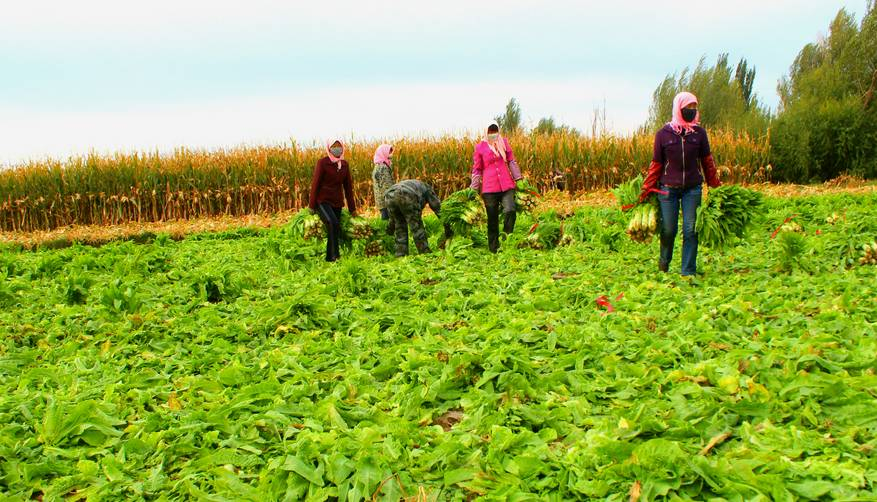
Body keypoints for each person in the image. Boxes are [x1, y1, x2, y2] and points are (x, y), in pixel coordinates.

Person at [640, 91, 721, 276]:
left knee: (691, 230)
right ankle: (664, 261)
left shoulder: (699, 134)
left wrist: (716, 187)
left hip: (692, 189)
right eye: (687, 107)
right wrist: (646, 188)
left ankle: (688, 271)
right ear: (679, 108)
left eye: (694, 107)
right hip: (668, 189)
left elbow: (707, 162)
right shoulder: (663, 134)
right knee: (669, 230)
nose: (691, 111)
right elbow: (657, 164)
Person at [470, 122, 523, 253]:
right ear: (486, 132)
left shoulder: (503, 142)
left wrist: (518, 178)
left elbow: (511, 160)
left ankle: (506, 234)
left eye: (495, 131)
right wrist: (473, 188)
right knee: (492, 218)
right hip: (489, 188)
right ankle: (493, 247)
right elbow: (477, 169)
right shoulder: (480, 147)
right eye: (490, 131)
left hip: (506, 184)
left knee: (510, 209)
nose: (493, 134)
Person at [309, 139, 356, 262]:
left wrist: (352, 209)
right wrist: (312, 205)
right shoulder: (323, 163)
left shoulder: (344, 165)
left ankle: (330, 257)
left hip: (337, 202)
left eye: (339, 146)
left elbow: (348, 188)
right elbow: (315, 184)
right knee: (332, 222)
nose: (337, 149)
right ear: (329, 148)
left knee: (335, 227)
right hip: (323, 200)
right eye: (334, 146)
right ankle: (336, 256)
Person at [384, 179, 451, 257]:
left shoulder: (415, 184)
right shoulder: (427, 188)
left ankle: (401, 254)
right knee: (416, 227)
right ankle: (424, 253)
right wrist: (448, 227)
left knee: (399, 225)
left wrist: (389, 230)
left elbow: (392, 219)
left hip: (389, 195)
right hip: (405, 194)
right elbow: (438, 208)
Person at [371, 144, 395, 220]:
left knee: (385, 220)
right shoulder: (382, 167)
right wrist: (393, 198)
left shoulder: (379, 165)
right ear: (383, 153)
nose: (391, 154)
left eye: (391, 152)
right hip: (386, 201)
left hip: (382, 200)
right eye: (389, 152)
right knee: (387, 221)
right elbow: (387, 186)